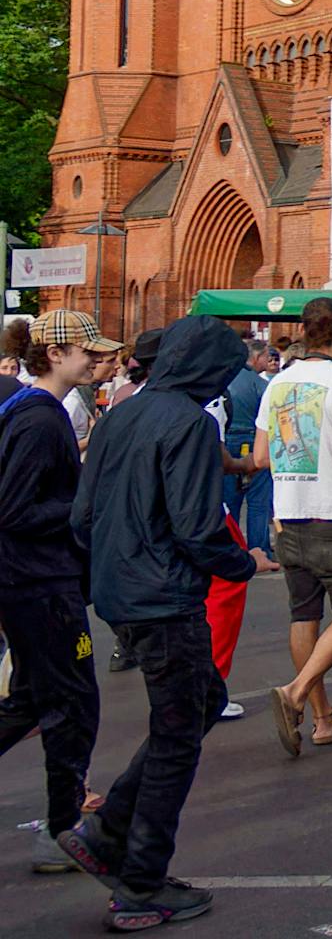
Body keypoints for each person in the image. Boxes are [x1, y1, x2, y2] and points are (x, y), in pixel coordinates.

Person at [62, 317, 260, 929]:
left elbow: (83, 514)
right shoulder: (189, 425)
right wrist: (241, 562)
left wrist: (108, 570)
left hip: (122, 590)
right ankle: (140, 880)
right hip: (164, 595)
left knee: (200, 703)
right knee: (178, 735)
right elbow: (197, 527)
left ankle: (107, 832)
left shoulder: (122, 413)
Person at [0, 309, 117, 874]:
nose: (97, 360)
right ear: (53, 354)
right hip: (38, 581)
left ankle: (61, 827)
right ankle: (62, 829)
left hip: (31, 579)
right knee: (71, 704)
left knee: (32, 701)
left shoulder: (30, 409)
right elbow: (16, 508)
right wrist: (86, 504)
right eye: (86, 352)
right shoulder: (40, 418)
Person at [254, 297, 332, 757]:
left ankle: (323, 718)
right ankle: (296, 691)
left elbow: (261, 457)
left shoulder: (277, 384)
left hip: (289, 514)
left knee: (303, 612)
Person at [222, 337, 276, 568]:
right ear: (255, 357)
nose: (268, 360)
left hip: (228, 441)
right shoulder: (259, 384)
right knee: (258, 501)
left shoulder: (223, 381)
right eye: (266, 355)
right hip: (254, 441)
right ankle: (259, 548)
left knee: (229, 500)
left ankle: (231, 547)